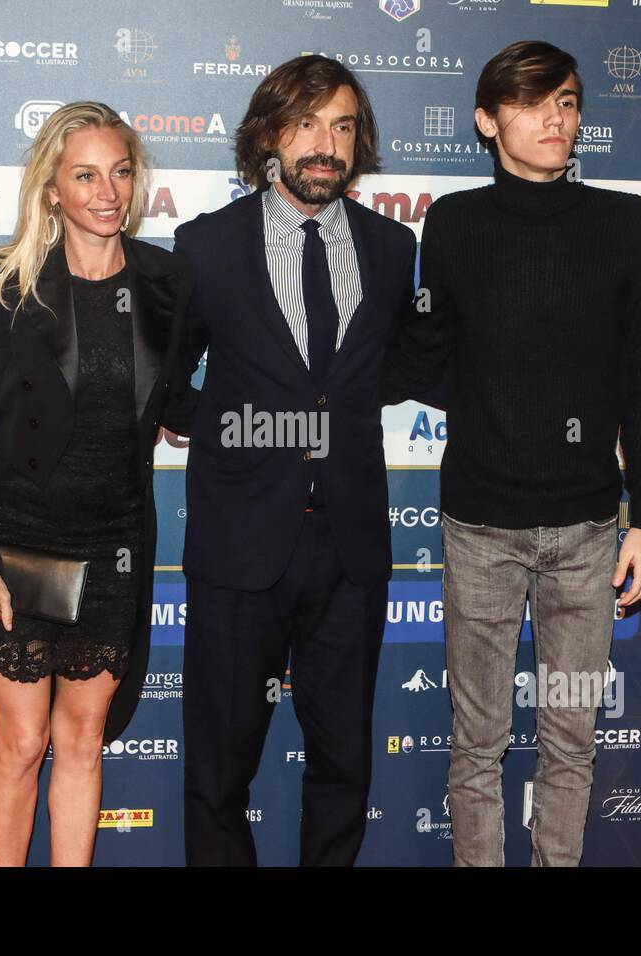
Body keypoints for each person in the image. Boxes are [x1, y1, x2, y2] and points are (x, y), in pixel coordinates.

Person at [384, 40, 641, 866]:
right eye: (532, 101)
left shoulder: (624, 224)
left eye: (569, 101)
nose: (555, 117)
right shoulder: (456, 223)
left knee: (571, 742)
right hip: (479, 528)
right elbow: (430, 354)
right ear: (486, 120)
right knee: (477, 745)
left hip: (587, 534)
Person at [162, 54, 418, 866]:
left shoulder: (390, 247)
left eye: (343, 125)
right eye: (307, 123)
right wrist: (241, 432)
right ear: (269, 135)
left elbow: (394, 371)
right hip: (241, 542)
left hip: (348, 547)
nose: (326, 144)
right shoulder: (204, 247)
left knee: (344, 763)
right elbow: (167, 385)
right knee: (219, 768)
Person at [0, 101, 195, 866]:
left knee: (82, 743)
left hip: (114, 544)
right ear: (53, 187)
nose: (107, 191)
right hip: (20, 545)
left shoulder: (166, 280)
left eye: (120, 172)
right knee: (19, 742)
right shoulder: (6, 281)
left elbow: (173, 393)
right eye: (85, 174)